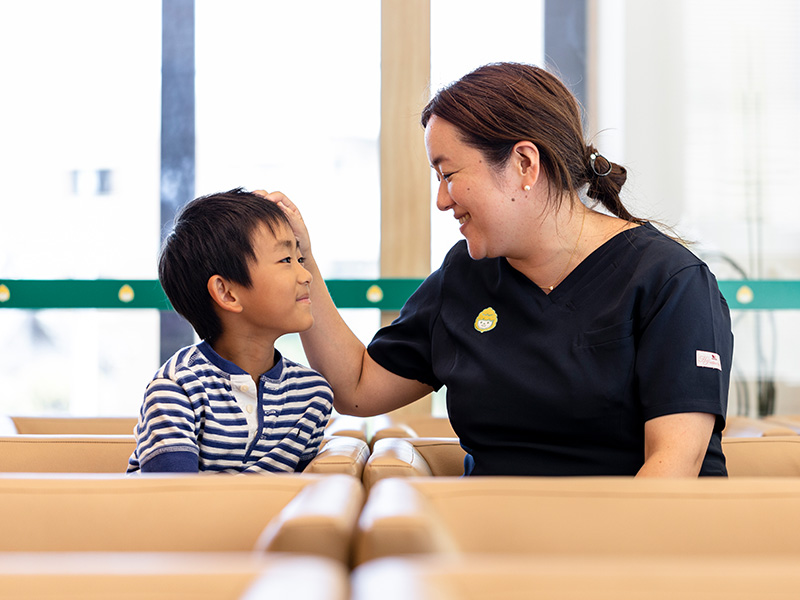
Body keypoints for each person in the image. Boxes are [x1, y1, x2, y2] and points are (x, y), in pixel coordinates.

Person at [267, 62, 732, 477]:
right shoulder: (466, 276)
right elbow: (356, 388)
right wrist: (301, 260)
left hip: (629, 555)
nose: (442, 200)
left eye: (448, 174)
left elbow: (674, 466)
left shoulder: (669, 281)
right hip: (493, 544)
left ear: (524, 164)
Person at [127, 188, 333, 474]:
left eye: (300, 260)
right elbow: (169, 505)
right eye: (286, 260)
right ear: (227, 293)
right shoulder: (178, 388)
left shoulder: (313, 394)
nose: (306, 274)